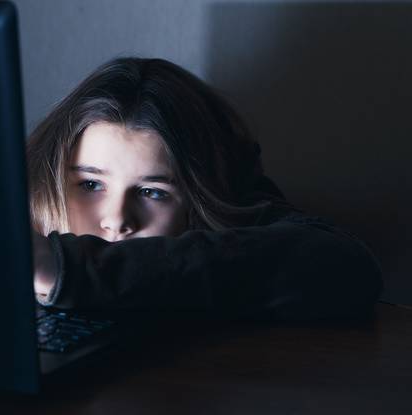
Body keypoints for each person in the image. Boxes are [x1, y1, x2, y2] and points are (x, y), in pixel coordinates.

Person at [27, 57, 382, 321]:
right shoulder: (18, 212)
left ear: (196, 200)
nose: (117, 220)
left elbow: (345, 265)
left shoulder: (230, 210)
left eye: (152, 192)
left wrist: (68, 268)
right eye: (90, 184)